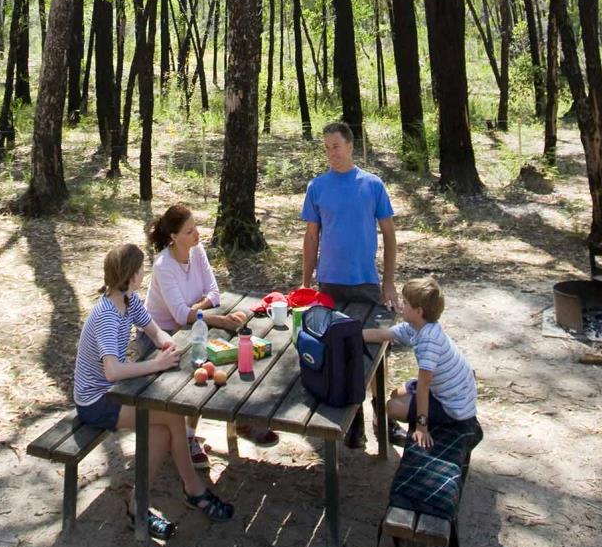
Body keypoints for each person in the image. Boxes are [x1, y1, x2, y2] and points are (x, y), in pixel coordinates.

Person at [73, 243, 235, 540]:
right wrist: (156, 364)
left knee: (164, 427)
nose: (142, 275)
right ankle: (192, 490)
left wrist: (165, 343)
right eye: (140, 271)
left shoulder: (129, 300)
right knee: (171, 418)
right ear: (131, 275)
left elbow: (152, 329)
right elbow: (113, 371)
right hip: (97, 400)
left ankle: (143, 503)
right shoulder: (107, 315)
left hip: (115, 390)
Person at [144, 205, 280, 461]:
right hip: (162, 335)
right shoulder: (163, 264)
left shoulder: (198, 251)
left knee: (236, 352)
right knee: (200, 370)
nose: (197, 234)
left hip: (194, 325)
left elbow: (214, 293)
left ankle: (240, 418)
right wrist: (216, 318)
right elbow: (178, 316)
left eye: (195, 227)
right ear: (173, 237)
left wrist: (197, 308)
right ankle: (187, 437)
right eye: (189, 231)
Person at [362, 277, 478, 449]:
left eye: (406, 303)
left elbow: (424, 385)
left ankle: (422, 425)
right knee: (396, 394)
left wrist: (421, 427)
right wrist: (347, 332)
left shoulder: (428, 342)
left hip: (454, 408)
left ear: (418, 311)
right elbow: (381, 335)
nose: (401, 305)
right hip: (445, 391)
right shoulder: (415, 327)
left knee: (392, 407)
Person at [300, 121, 398, 310]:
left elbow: (389, 235)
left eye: (336, 146)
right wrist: (305, 283)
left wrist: (388, 282)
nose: (331, 153)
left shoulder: (373, 185)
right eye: (327, 148)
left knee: (368, 336)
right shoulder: (316, 187)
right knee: (328, 336)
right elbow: (311, 237)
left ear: (350, 146)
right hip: (329, 283)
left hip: (365, 281)